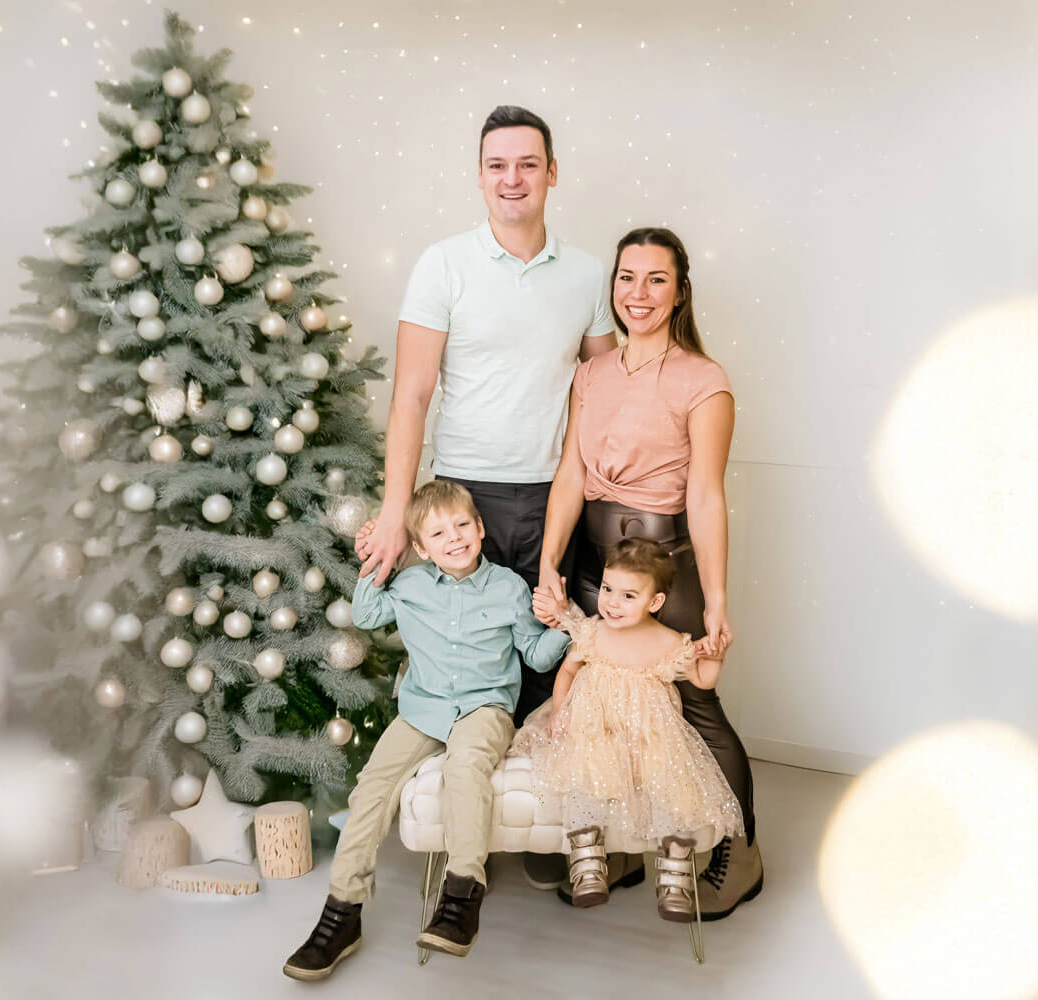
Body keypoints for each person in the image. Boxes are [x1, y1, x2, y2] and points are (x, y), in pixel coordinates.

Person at [355, 104, 617, 891]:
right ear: (479, 175)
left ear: (552, 173)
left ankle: (537, 826)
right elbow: (411, 395)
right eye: (497, 165)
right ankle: (468, 828)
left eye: (528, 163)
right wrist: (398, 515)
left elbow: (601, 393)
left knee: (544, 654)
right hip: (461, 492)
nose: (513, 179)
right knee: (466, 648)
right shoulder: (442, 265)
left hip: (554, 495)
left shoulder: (585, 275)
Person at [534, 227, 763, 920]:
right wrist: (549, 563)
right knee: (598, 700)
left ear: (680, 290)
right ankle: (624, 846)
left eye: (656, 279)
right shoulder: (592, 373)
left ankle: (741, 851)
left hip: (666, 559)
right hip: (592, 563)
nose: (639, 293)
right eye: (627, 278)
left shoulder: (704, 380)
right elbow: (571, 472)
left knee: (692, 701)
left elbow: (706, 494)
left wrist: (717, 598)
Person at [282, 481, 570, 982]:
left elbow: (535, 654)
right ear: (420, 547)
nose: (454, 538)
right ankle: (341, 914)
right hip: (423, 709)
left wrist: (564, 624)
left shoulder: (508, 587)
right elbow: (366, 614)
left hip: (485, 708)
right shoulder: (411, 585)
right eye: (438, 533)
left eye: (462, 525)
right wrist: (377, 557)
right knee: (372, 788)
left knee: (466, 767)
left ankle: (461, 898)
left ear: (479, 528)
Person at [517, 538, 744, 920]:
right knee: (582, 779)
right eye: (607, 589)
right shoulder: (593, 632)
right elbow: (568, 671)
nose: (611, 603)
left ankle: (673, 875)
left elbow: (702, 679)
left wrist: (717, 656)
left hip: (648, 735)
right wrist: (560, 711)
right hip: (595, 729)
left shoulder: (668, 642)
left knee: (675, 786)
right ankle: (588, 861)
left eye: (627, 595)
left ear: (654, 602)